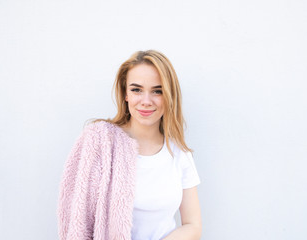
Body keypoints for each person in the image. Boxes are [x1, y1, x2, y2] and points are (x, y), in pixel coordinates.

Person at [57, 50, 202, 240]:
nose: (146, 101)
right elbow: (77, 221)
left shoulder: (179, 153)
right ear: (125, 94)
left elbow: (193, 226)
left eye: (157, 91)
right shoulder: (100, 143)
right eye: (136, 90)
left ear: (169, 96)